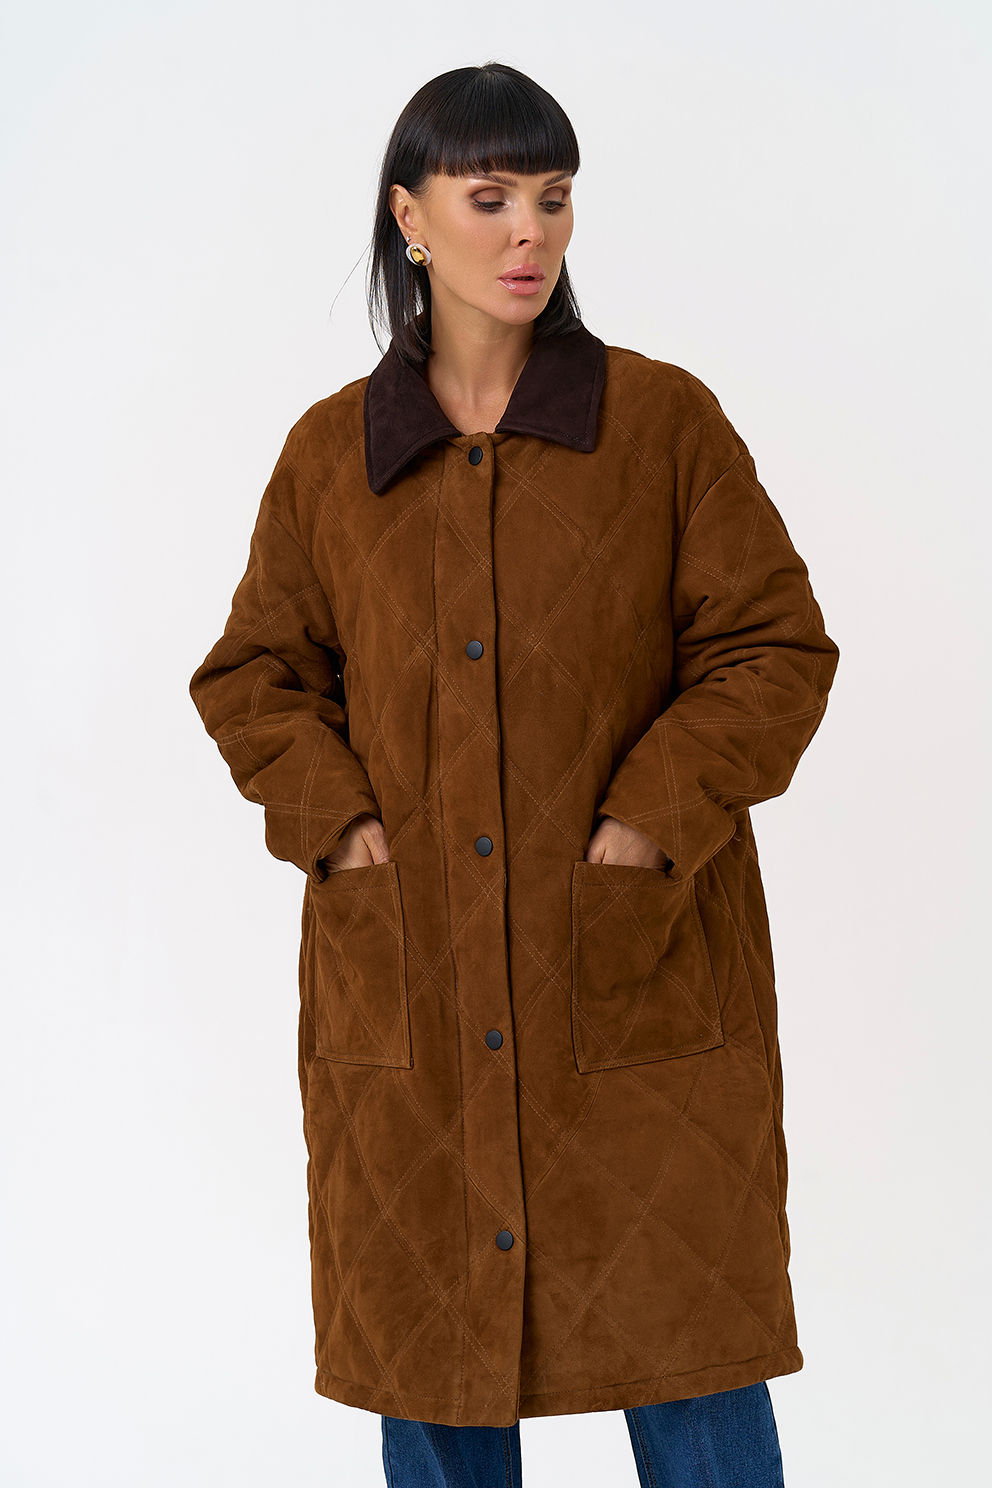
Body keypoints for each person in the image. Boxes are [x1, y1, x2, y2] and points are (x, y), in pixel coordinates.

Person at [189, 61, 839, 1488]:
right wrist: (341, 829)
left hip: (635, 983)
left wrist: (648, 826)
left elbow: (774, 649)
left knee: (691, 1357)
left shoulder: (660, 427)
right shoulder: (332, 458)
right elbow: (254, 677)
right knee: (434, 1362)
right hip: (412, 994)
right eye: (489, 198)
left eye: (552, 197)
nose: (529, 231)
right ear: (409, 217)